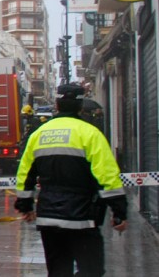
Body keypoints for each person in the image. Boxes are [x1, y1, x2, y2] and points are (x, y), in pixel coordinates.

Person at [15, 83, 128, 276]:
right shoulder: (91, 134)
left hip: (49, 218)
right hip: (82, 218)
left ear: (57, 105)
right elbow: (107, 175)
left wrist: (24, 205)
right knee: (92, 270)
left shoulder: (39, 134)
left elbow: (25, 174)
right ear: (80, 106)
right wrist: (119, 212)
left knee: (58, 271)